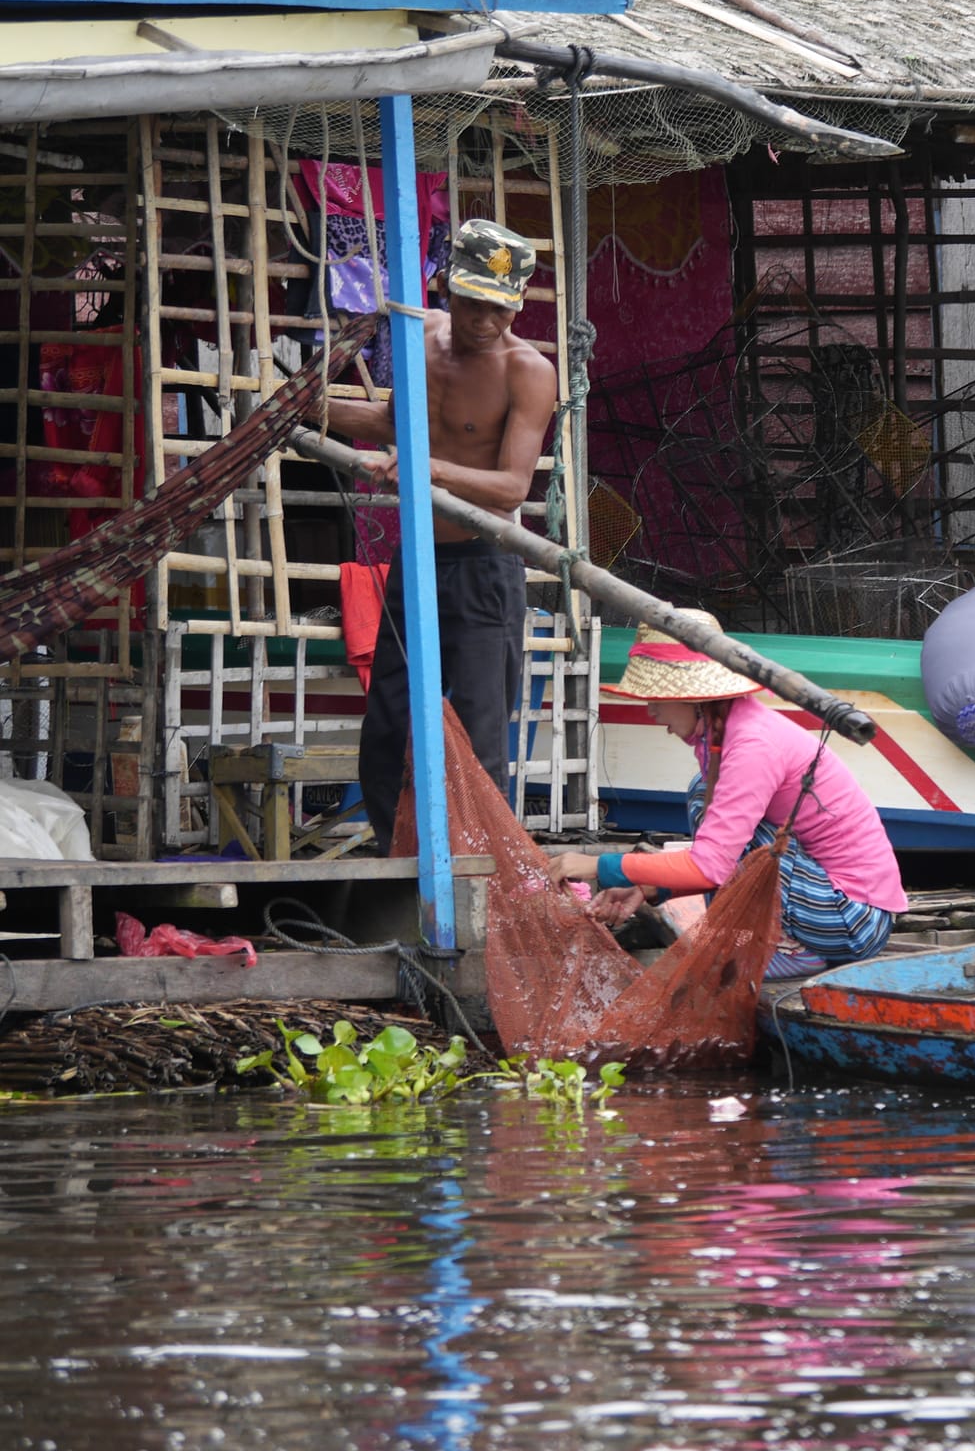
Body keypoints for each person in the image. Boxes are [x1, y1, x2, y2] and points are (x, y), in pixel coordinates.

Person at [324, 218, 560, 846]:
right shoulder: (418, 334)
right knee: (387, 729)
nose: (485, 320)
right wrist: (312, 408)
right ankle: (395, 858)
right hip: (417, 563)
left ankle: (482, 871)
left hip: (486, 568)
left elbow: (511, 487)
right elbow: (396, 421)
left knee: (481, 737)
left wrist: (424, 464)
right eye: (472, 302)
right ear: (445, 288)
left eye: (499, 308)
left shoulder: (528, 370)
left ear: (518, 305)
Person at [547, 617, 907, 978]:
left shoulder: (752, 744)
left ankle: (794, 949)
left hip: (851, 919)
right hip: (824, 902)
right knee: (703, 794)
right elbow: (715, 857)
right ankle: (770, 941)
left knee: (720, 818)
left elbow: (711, 866)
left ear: (694, 697)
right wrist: (646, 887)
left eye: (657, 699)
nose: (651, 711)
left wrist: (599, 866)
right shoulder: (721, 736)